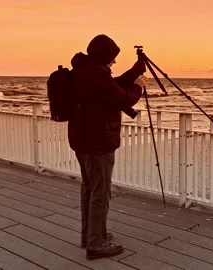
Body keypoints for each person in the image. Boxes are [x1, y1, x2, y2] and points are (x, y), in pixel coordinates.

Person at [68, 34, 146, 260]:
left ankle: (90, 236)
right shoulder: (97, 74)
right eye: (112, 58)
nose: (114, 63)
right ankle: (97, 244)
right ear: (104, 56)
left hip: (81, 140)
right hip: (98, 142)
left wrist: (133, 73)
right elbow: (123, 98)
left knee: (89, 189)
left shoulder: (83, 71)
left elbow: (111, 88)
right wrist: (138, 86)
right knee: (100, 192)